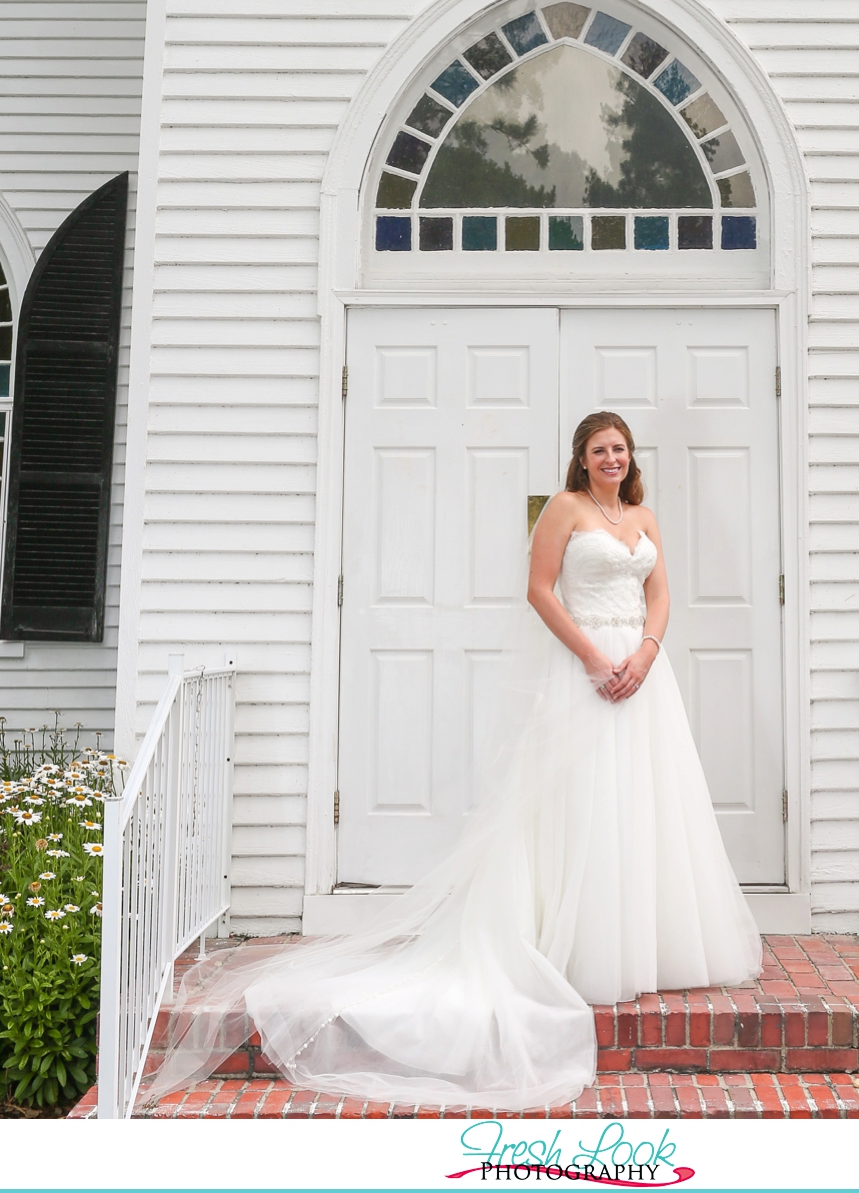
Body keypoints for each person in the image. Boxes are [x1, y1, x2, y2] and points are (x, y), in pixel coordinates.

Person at [142, 411, 762, 1112]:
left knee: (643, 801)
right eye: (599, 450)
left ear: (629, 456)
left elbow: (660, 593)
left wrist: (646, 653)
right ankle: (579, 945)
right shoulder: (565, 508)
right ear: (581, 459)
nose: (611, 458)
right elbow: (539, 589)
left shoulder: (645, 515)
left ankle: (648, 944)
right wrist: (593, 656)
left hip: (645, 676)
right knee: (584, 801)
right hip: (584, 669)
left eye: (619, 448)